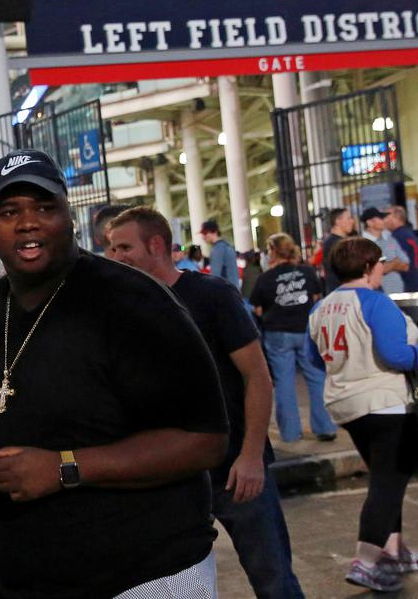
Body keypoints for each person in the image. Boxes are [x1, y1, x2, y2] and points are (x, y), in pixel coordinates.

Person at [0, 150, 229, 598]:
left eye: (44, 208)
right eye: (9, 212)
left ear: (70, 216)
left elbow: (205, 439)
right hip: (26, 581)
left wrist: (65, 468)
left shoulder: (134, 303)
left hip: (148, 577)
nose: (27, 223)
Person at [108, 209, 304, 598]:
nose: (116, 257)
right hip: (174, 479)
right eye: (112, 249)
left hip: (236, 471)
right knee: (175, 587)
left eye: (124, 247)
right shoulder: (125, 310)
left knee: (274, 581)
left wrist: (250, 457)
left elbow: (257, 376)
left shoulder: (212, 296)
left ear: (157, 245)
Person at [308, 237, 418, 592]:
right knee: (388, 481)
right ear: (368, 267)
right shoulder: (376, 303)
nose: (383, 267)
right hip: (383, 401)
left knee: (387, 477)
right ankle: (366, 560)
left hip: (344, 403)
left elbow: (313, 358)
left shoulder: (320, 308)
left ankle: (393, 550)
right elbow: (396, 356)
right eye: (380, 262)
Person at [250, 233, 336, 443]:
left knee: (284, 382)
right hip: (305, 330)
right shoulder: (307, 272)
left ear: (272, 250)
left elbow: (258, 308)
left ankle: (290, 432)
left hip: (277, 333)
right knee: (316, 378)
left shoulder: (265, 278)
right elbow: (316, 299)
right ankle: (324, 426)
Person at [360, 208, 409, 295]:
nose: (384, 221)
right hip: (376, 293)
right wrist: (394, 263)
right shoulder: (362, 243)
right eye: (380, 218)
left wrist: (386, 265)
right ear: (369, 222)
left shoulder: (390, 239)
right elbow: (371, 270)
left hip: (398, 291)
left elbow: (406, 265)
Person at [385, 206, 418, 292]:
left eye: (387, 216)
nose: (384, 220)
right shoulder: (410, 233)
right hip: (415, 279)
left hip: (405, 283)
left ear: (397, 218)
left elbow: (400, 261)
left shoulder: (398, 237)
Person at [320, 207, 356, 293]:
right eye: (349, 218)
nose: (352, 221)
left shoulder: (338, 242)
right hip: (342, 292)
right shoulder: (334, 244)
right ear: (337, 221)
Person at [200, 219, 240, 288]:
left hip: (226, 293)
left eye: (205, 233)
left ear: (214, 232)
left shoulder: (217, 249)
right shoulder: (227, 246)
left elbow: (215, 277)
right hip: (234, 291)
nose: (203, 237)